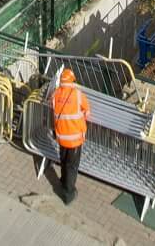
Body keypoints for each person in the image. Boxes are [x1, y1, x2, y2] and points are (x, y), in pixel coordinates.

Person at [50, 66, 90, 205]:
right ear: (72, 81)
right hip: (75, 139)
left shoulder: (55, 95)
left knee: (64, 161)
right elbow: (87, 112)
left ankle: (63, 181)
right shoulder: (78, 95)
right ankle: (68, 194)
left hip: (61, 137)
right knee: (72, 166)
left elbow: (54, 113)